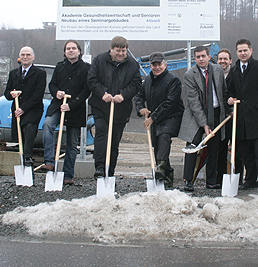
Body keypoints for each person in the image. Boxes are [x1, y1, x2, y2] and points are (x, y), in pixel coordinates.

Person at [87, 36, 142, 178]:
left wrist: (123, 95)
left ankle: (110, 171)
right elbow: (92, 80)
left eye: (124, 51)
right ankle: (99, 167)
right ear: (111, 50)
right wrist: (102, 93)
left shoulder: (133, 64)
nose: (121, 54)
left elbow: (136, 84)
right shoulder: (99, 60)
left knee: (114, 142)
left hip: (121, 110)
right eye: (118, 50)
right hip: (101, 106)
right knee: (102, 135)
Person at [39, 40, 90, 185]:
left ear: (79, 51)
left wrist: (71, 105)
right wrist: (56, 93)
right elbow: (52, 84)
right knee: (48, 124)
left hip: (75, 108)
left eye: (74, 48)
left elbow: (86, 90)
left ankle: (68, 175)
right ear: (65, 51)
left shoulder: (86, 68)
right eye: (68, 48)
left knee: (71, 143)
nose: (71, 51)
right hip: (57, 105)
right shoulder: (59, 67)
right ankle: (49, 161)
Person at [227, 39, 258, 191]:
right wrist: (230, 98)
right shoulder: (234, 70)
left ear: (251, 51)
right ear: (237, 53)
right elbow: (231, 90)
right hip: (241, 118)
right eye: (240, 51)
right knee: (246, 152)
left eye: (245, 50)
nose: (243, 53)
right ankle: (250, 180)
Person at [178, 45, 227, 191]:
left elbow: (223, 91)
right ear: (195, 59)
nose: (201, 59)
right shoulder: (189, 75)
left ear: (209, 57)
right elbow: (193, 102)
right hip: (196, 115)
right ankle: (188, 180)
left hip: (216, 112)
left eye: (203, 56)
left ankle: (211, 181)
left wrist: (228, 109)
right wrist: (204, 124)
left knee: (214, 148)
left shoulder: (218, 70)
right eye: (198, 57)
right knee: (193, 147)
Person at [134, 52, 184, 187]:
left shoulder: (173, 80)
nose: (157, 67)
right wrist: (141, 108)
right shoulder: (147, 81)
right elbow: (138, 97)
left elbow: (170, 103)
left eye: (159, 64)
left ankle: (160, 168)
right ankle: (166, 178)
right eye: (154, 65)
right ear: (150, 66)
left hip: (171, 117)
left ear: (165, 65)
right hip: (155, 119)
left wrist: (152, 118)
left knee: (163, 137)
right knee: (157, 147)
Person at [4, 46, 46, 168]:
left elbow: (38, 95)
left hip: (33, 109)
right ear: (19, 57)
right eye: (23, 55)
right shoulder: (13, 74)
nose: (25, 57)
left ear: (33, 57)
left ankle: (28, 158)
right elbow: (7, 93)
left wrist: (24, 109)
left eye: (28, 55)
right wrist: (11, 94)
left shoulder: (39, 74)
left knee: (29, 128)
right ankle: (21, 158)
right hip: (17, 108)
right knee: (19, 134)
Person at [216, 48, 243, 185]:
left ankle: (237, 179)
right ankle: (220, 179)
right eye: (220, 59)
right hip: (221, 118)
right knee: (220, 149)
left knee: (237, 150)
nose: (222, 61)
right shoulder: (215, 74)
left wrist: (232, 108)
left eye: (225, 59)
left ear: (230, 61)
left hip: (235, 117)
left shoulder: (236, 73)